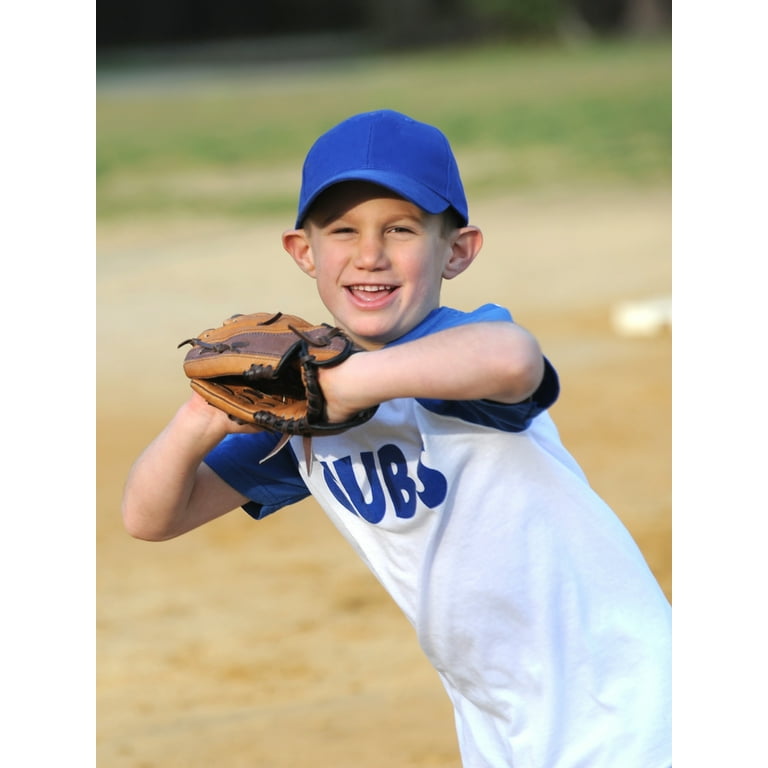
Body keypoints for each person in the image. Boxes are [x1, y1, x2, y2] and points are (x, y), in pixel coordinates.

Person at [122, 109, 671, 767]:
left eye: (401, 229)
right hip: (505, 723)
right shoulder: (303, 406)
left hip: (632, 704)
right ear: (304, 251)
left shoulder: (449, 347)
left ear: (458, 250)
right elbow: (151, 516)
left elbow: (511, 359)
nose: (370, 254)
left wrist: (341, 387)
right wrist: (201, 416)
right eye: (343, 230)